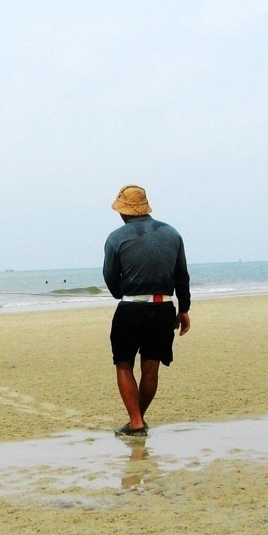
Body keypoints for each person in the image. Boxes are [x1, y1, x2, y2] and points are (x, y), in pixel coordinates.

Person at [103, 185, 191, 436]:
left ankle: (136, 422)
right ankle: (137, 420)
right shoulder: (172, 234)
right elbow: (181, 276)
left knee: (123, 365)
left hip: (131, 308)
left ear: (123, 212)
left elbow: (110, 275)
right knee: (150, 368)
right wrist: (183, 308)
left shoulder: (116, 237)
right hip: (164, 307)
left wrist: (122, 293)